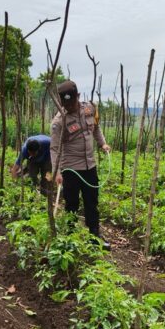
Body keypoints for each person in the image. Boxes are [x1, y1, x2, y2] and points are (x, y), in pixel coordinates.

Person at [50, 80, 112, 251]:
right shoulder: (58, 121)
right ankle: (70, 239)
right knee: (72, 204)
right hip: (71, 169)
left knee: (92, 202)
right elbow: (54, 148)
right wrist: (57, 172)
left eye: (72, 103)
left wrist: (102, 143)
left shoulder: (89, 109)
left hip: (90, 166)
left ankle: (95, 237)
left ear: (78, 96)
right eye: (66, 104)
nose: (69, 107)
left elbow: (96, 128)